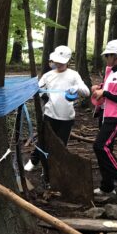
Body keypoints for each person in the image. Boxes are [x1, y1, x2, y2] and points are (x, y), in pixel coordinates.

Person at [24, 46, 89, 184]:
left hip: (66, 118)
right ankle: (34, 160)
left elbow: (87, 92)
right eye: (57, 61)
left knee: (60, 146)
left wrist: (77, 88)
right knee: (43, 140)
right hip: (49, 115)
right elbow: (37, 89)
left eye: (61, 62)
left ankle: (52, 169)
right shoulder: (48, 75)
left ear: (68, 61)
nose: (58, 64)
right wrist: (42, 94)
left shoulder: (74, 75)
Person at [91, 39, 117, 195]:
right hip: (105, 114)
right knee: (105, 149)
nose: (105, 58)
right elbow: (108, 87)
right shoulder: (110, 70)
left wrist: (105, 92)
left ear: (115, 56)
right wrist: (99, 88)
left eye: (107, 55)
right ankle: (107, 185)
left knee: (100, 146)